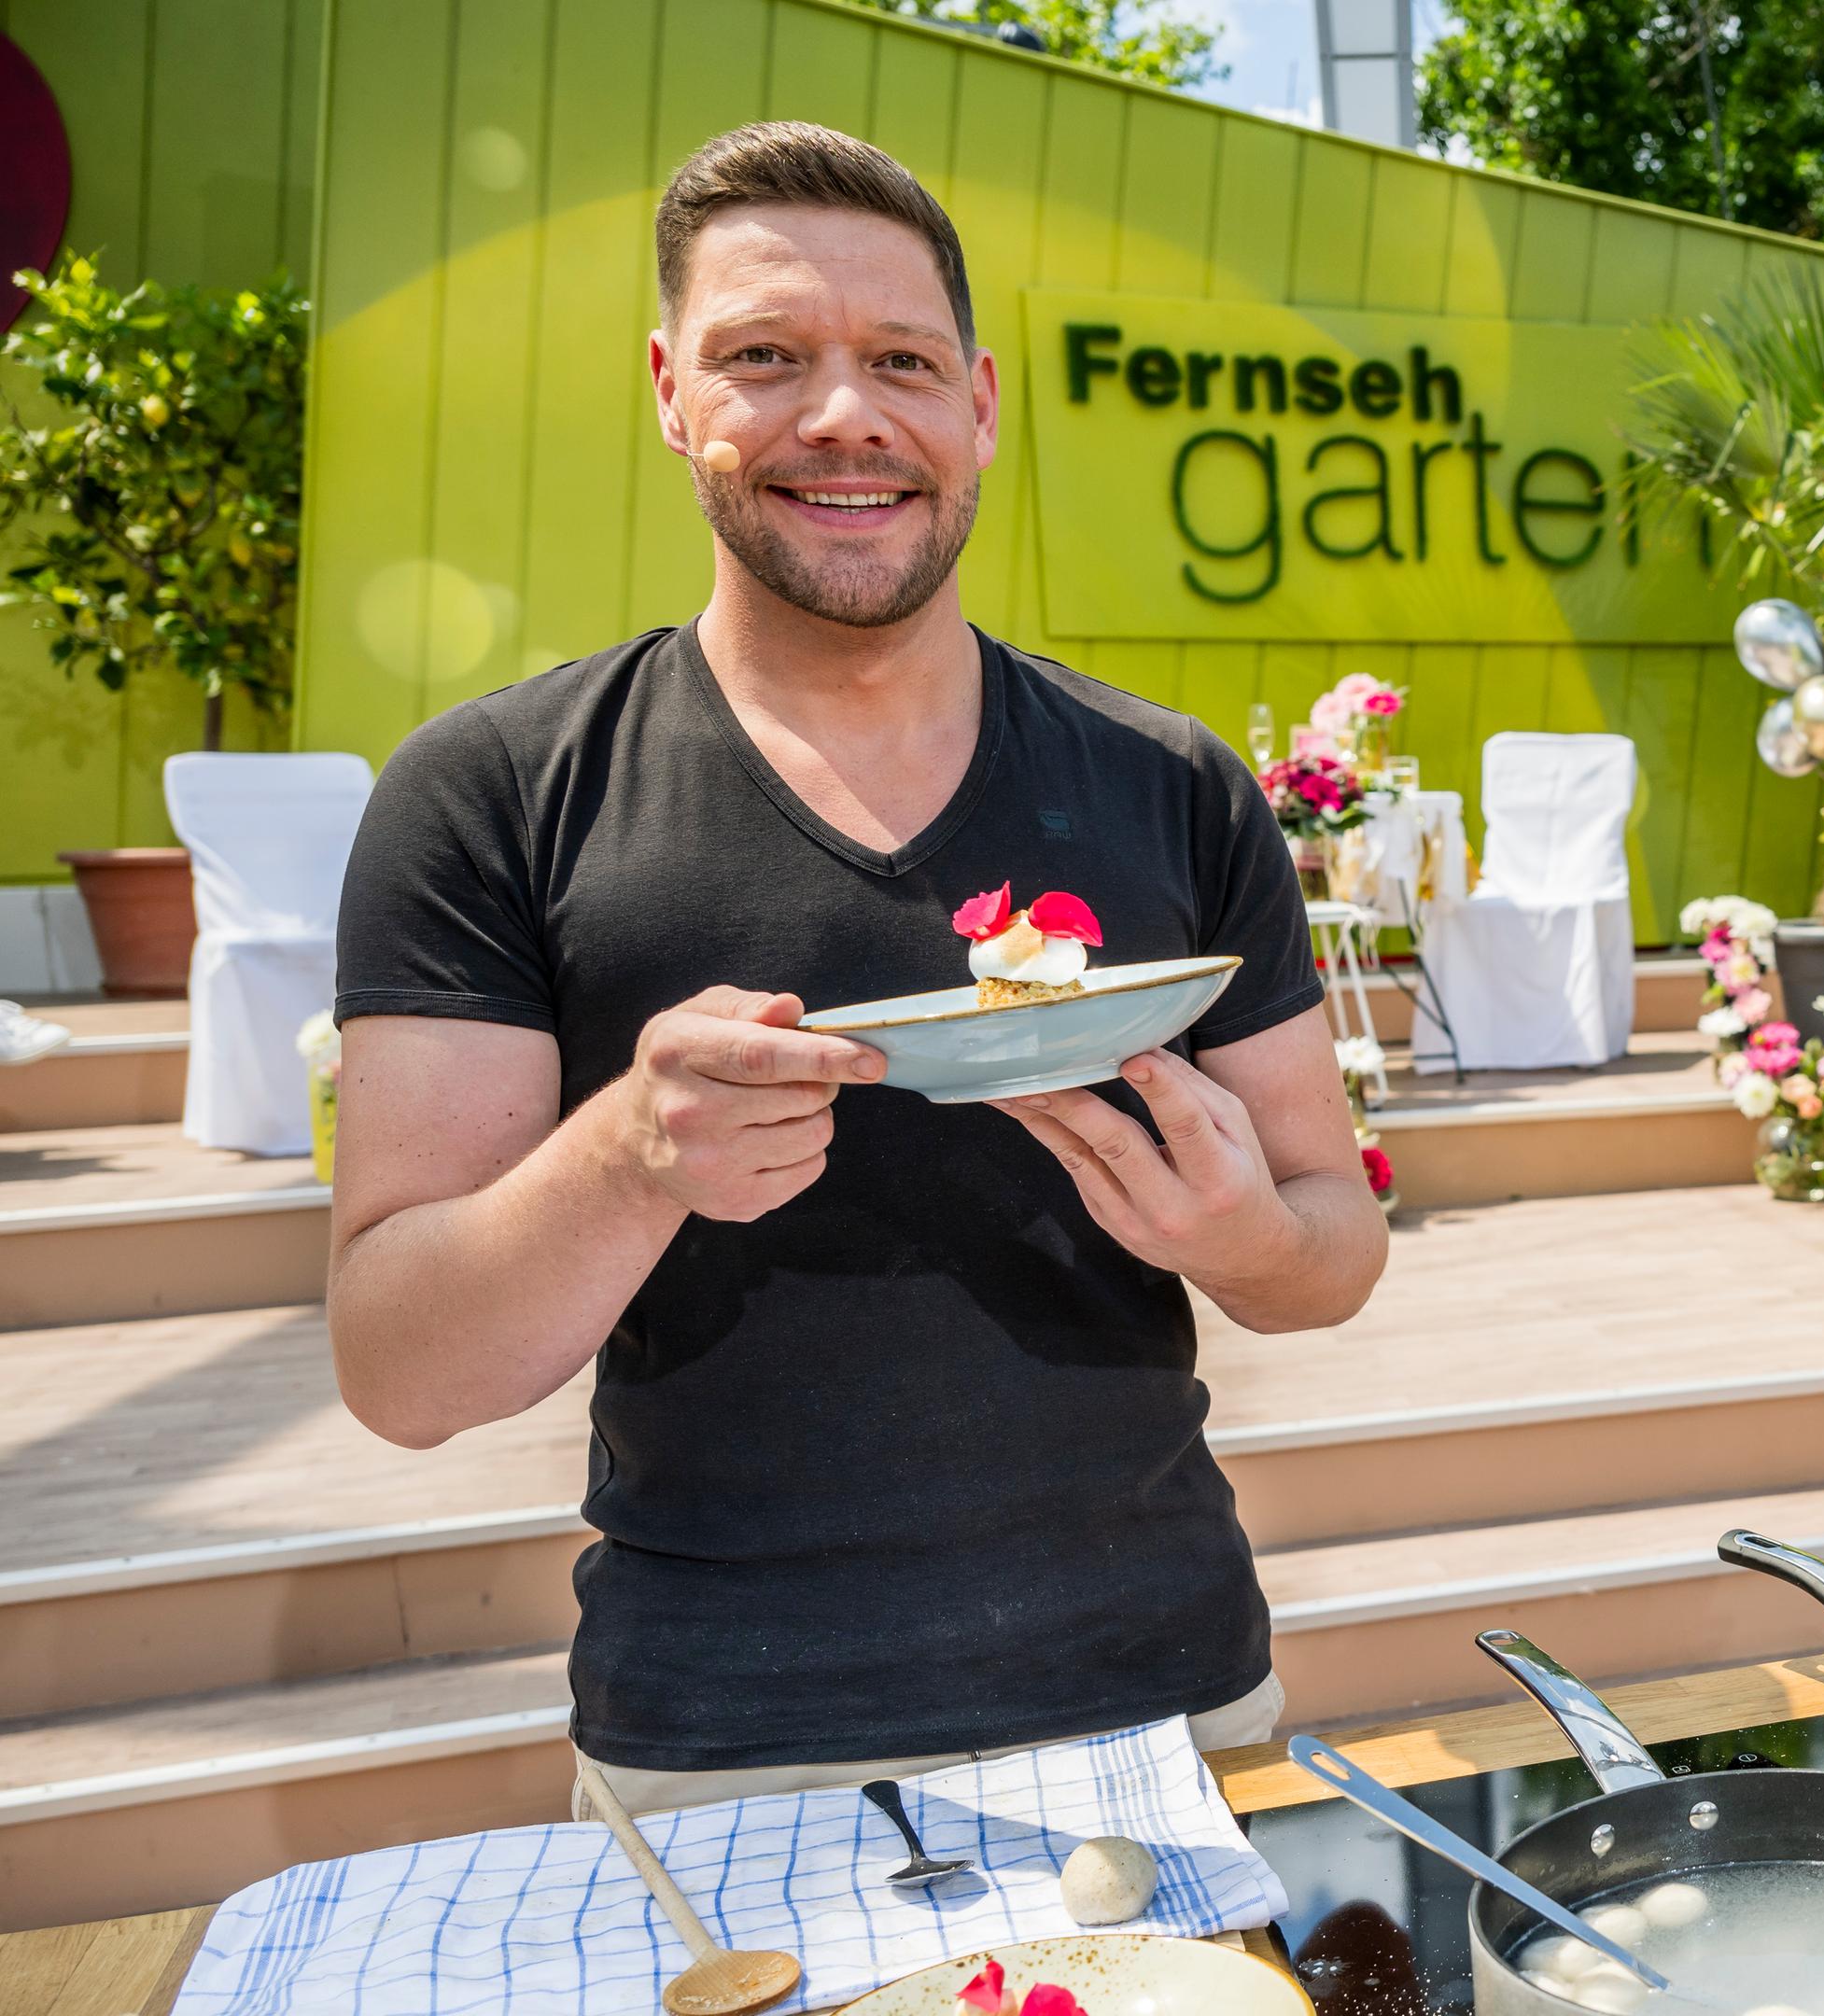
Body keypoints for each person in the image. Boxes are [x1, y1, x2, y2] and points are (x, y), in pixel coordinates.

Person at [327, 122, 1387, 1814]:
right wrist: (627, 1157)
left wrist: (1247, 1238)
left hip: (1174, 1711)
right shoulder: (491, 793)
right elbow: (397, 1371)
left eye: (898, 361)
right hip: (720, 1755)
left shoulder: (1173, 783)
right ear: (672, 392)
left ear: (977, 403)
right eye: (767, 359)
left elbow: (1336, 1244)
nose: (843, 416)